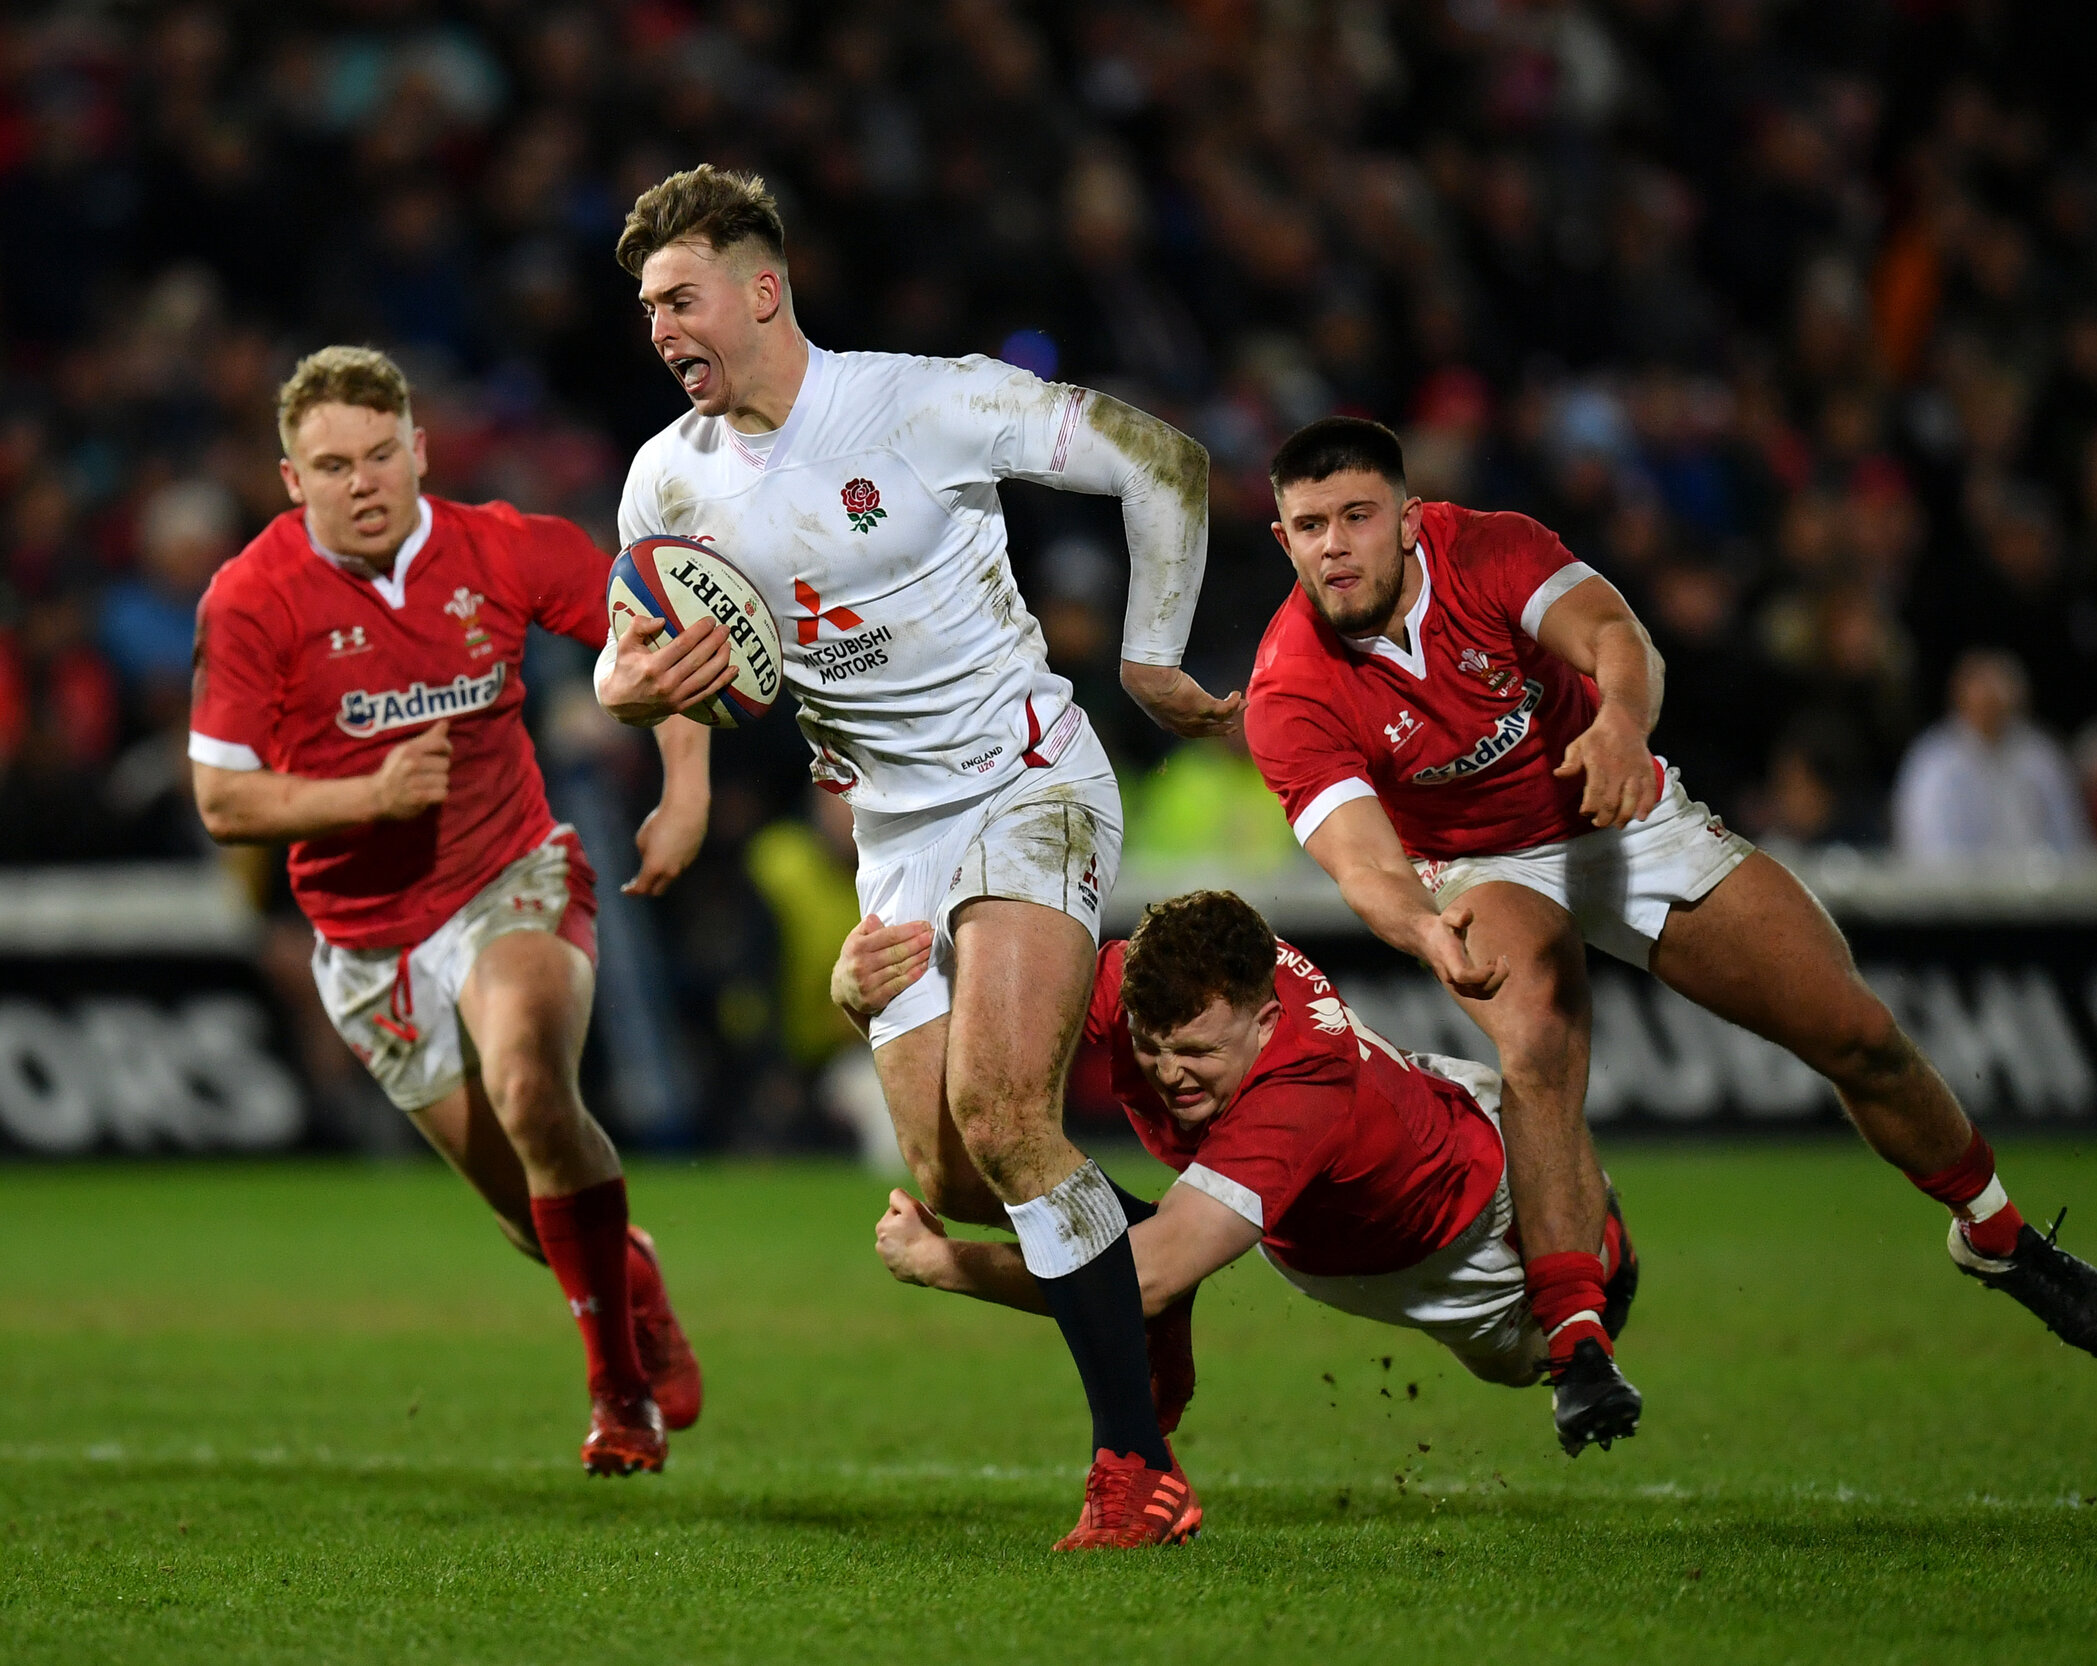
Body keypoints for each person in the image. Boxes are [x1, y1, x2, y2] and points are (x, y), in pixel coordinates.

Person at [1240, 417, 2097, 1455]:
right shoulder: (1287, 685)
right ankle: (1578, 1344)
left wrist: (1619, 724)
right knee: (1533, 1042)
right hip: (1476, 866)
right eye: (1311, 526)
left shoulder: (1487, 548)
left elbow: (1619, 639)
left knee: (1853, 1033)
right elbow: (1363, 861)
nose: (1336, 545)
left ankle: (1995, 1235)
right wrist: (1420, 931)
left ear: (1406, 517)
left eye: (1358, 515)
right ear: (1282, 538)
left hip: (1619, 814)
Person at [595, 166, 1240, 1549]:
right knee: (956, 1173)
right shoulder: (667, 477)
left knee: (1010, 1121)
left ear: (762, 289)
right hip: (891, 839)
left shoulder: (919, 399)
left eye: (680, 298)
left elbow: (1163, 458)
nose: (660, 328)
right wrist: (649, 709)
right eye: (647, 307)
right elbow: (620, 658)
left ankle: (1137, 1467)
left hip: (1024, 779)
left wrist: (1149, 651)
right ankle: (1159, 1266)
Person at [187, 346, 711, 1476]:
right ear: (291, 480)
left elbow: (662, 628)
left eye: (382, 454)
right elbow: (222, 799)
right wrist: (365, 797)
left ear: (421, 450)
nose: (363, 482)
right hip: (364, 940)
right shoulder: (250, 597)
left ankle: (617, 1393)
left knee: (530, 1084)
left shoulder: (504, 547)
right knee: (534, 1216)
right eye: (332, 465)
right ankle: (632, 1280)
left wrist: (684, 786)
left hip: (505, 871)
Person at [841, 892, 1638, 1450]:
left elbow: (1136, 1283)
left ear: (1264, 1023)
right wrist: (860, 1000)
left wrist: (944, 1264)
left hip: (1464, 1238)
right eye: (1151, 1049)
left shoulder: (1298, 1089)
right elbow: (975, 1072)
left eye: (1196, 1054)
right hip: (1352, 1187)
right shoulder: (1146, 982)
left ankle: (1598, 1252)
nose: (1168, 1074)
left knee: (1533, 1355)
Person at [1891, 649, 2089, 862]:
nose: (1990, 700)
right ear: (1960, 696)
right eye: (1981, 690)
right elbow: (1928, 848)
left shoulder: (2040, 755)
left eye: (1998, 690)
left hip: (2038, 887)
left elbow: (2070, 837)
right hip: (1959, 890)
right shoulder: (1934, 762)